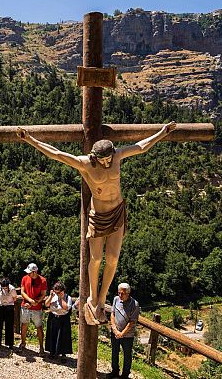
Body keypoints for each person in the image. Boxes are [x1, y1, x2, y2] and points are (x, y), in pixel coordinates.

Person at [16, 122, 176, 325]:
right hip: (98, 215)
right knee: (97, 258)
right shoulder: (85, 163)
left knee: (113, 259)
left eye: (110, 157)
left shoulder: (117, 155)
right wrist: (30, 139)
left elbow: (141, 146)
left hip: (117, 211)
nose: (108, 161)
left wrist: (162, 132)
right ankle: (93, 297)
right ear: (95, 157)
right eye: (104, 159)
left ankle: (101, 299)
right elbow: (56, 154)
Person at [109, 283, 139, 379]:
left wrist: (122, 333)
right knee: (114, 352)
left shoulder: (134, 304)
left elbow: (132, 322)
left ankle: (125, 375)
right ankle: (115, 371)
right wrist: (114, 329)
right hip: (115, 332)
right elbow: (112, 314)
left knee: (127, 355)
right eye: (119, 293)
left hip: (127, 335)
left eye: (122, 293)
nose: (120, 295)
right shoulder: (116, 299)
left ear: (128, 293)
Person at [19, 263, 47, 353]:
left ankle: (41, 347)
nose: (28, 274)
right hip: (25, 305)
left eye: (30, 272)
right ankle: (23, 343)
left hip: (37, 308)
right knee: (24, 325)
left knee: (39, 327)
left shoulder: (43, 280)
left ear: (35, 272)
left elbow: (43, 294)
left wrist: (36, 302)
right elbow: (22, 292)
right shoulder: (24, 278)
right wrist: (30, 301)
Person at [44, 281, 73, 361]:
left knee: (64, 337)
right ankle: (52, 352)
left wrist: (61, 298)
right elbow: (46, 304)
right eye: (56, 291)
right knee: (52, 335)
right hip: (53, 317)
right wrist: (50, 296)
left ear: (63, 290)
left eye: (59, 292)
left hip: (64, 318)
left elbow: (66, 307)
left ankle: (63, 354)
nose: (57, 293)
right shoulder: (53, 296)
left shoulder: (68, 298)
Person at [0, 276, 17, 349]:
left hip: (9, 307)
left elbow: (15, 298)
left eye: (5, 287)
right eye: (3, 287)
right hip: (0, 306)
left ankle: (10, 343)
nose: (4, 288)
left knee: (9, 326)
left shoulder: (12, 288)